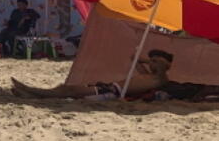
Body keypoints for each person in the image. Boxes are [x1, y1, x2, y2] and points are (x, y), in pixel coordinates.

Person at [11, 49, 174, 101]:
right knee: (66, 89)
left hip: (112, 93)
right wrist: (149, 59)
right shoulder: (148, 74)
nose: (151, 63)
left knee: (69, 91)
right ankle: (30, 93)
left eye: (155, 61)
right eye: (151, 61)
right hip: (110, 88)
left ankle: (29, 91)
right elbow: (135, 59)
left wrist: (153, 59)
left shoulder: (160, 78)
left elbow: (162, 65)